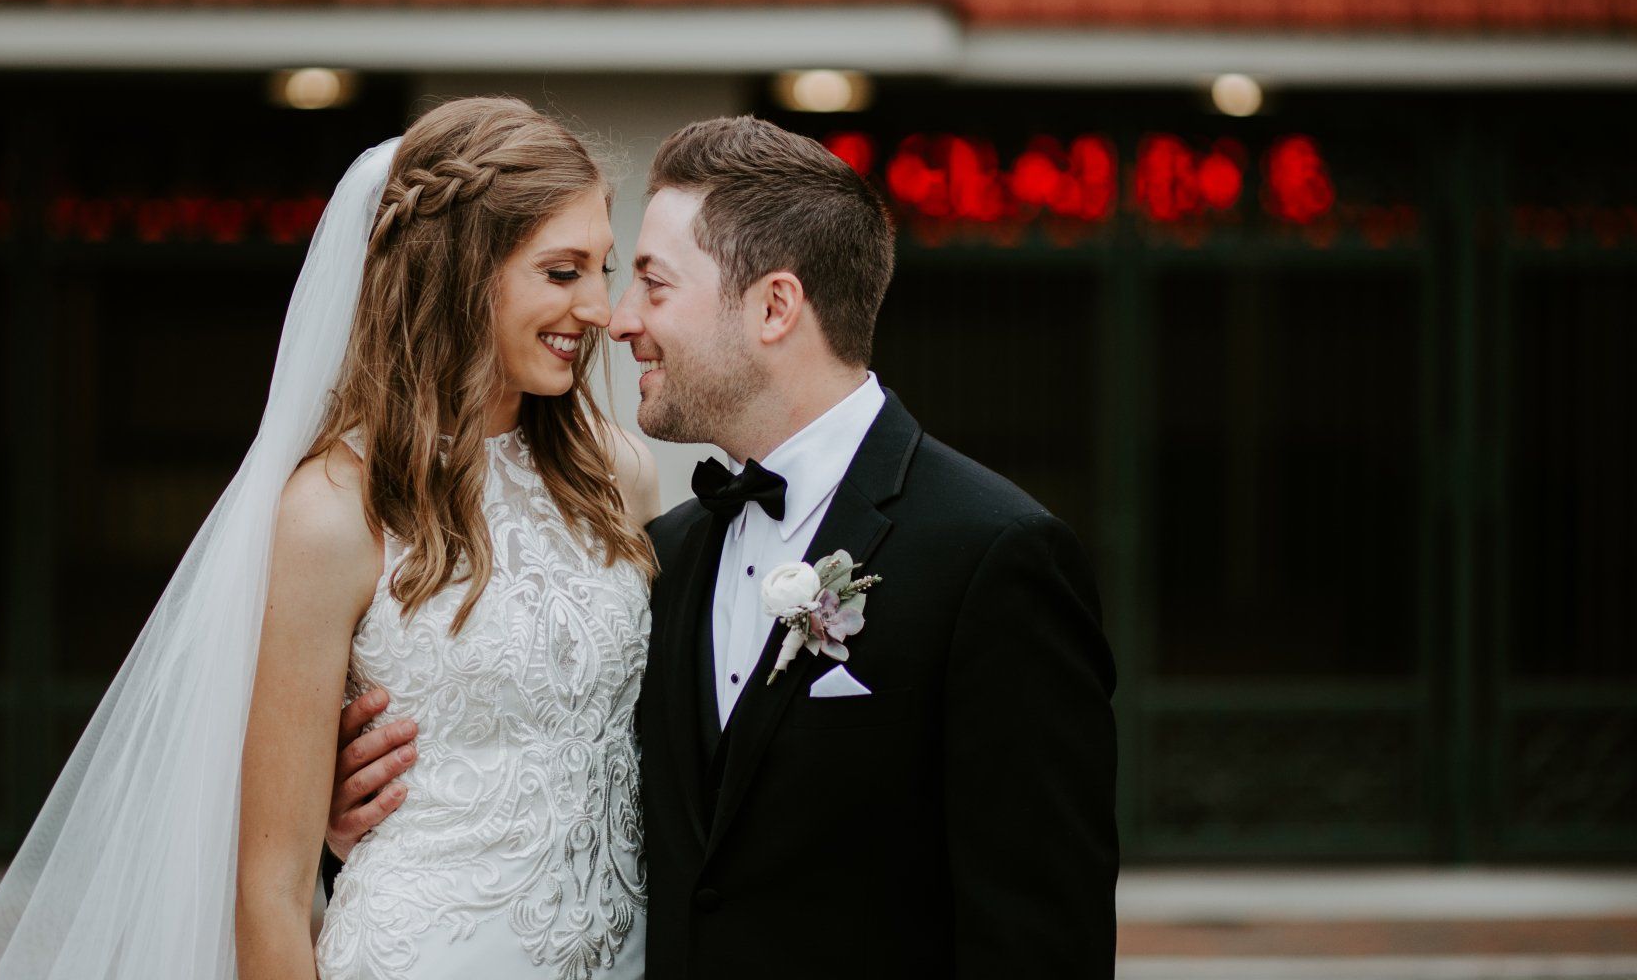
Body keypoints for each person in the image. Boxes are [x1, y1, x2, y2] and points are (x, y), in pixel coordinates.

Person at [327, 114, 1119, 978]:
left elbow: (1042, 942)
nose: (616, 320)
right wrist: (362, 815)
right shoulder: (661, 553)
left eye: (652, 285)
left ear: (775, 306)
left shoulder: (993, 558)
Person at [0, 97, 660, 980]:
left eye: (603, 266)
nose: (598, 307)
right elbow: (272, 892)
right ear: (460, 274)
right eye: (562, 273)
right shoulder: (336, 513)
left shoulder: (614, 478)